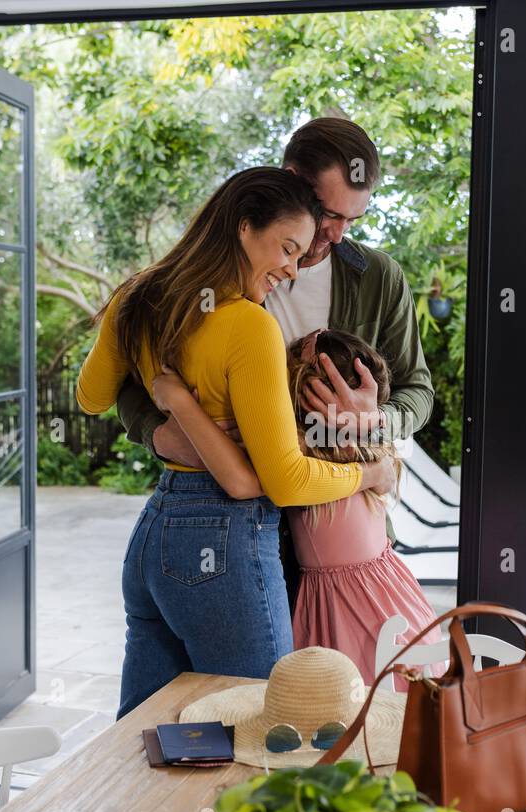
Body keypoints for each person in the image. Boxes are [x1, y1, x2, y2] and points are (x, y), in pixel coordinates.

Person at [75, 167, 397, 720]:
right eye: (287, 249)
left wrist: (171, 402)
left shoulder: (137, 298)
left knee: (145, 732)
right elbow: (284, 482)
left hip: (157, 530)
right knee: (264, 724)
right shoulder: (249, 325)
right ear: (244, 226)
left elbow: (91, 396)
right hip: (224, 539)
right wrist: (369, 474)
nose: (291, 269)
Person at [115, 118, 435, 609]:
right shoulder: (210, 278)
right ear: (292, 180)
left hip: (342, 536)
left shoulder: (379, 278)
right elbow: (131, 377)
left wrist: (374, 419)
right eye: (329, 214)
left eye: (352, 220)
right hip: (237, 525)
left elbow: (419, 390)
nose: (337, 234)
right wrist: (156, 433)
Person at [151, 329, 444, 689]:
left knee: (354, 697)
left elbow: (237, 469)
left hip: (359, 604)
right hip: (371, 593)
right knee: (365, 699)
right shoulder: (344, 449)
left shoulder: (315, 451)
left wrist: (180, 400)